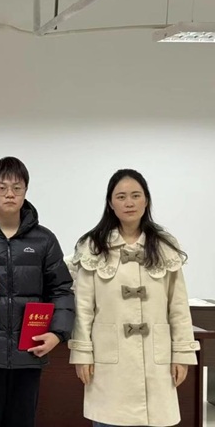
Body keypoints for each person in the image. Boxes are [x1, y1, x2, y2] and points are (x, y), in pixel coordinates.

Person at [68, 169, 199, 427]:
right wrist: (82, 353)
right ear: (110, 203)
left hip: (156, 358)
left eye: (136, 195)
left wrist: (182, 354)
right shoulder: (93, 246)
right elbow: (84, 307)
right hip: (108, 359)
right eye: (121, 197)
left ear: (146, 200)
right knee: (109, 420)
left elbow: (178, 306)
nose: (129, 202)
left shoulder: (164, 246)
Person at [0, 156, 74, 427]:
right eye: (2, 187)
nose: (10, 194)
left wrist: (57, 333)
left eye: (17, 188)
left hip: (28, 353)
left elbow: (61, 289)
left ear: (25, 191)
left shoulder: (44, 240)